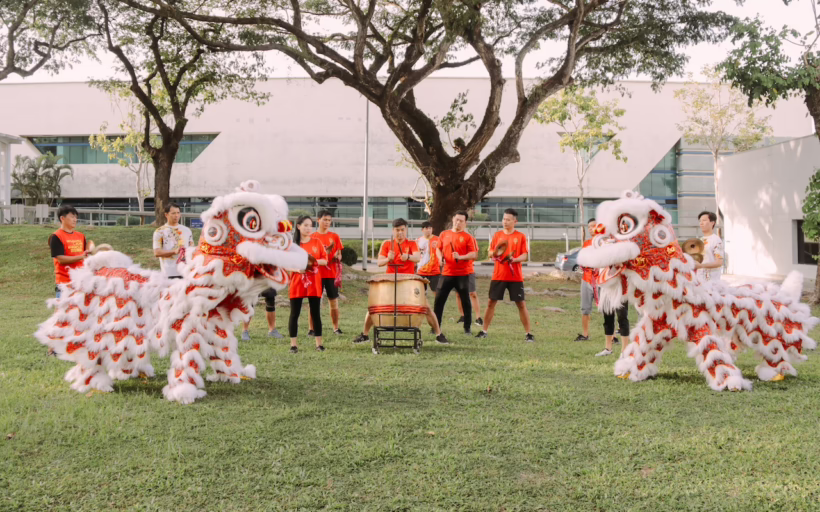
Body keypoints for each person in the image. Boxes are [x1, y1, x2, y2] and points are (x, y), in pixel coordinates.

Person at [352, 219, 449, 344]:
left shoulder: (412, 243)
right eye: (397, 230)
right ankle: (365, 335)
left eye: (402, 230)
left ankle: (438, 334)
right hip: (389, 282)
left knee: (427, 308)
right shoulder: (387, 244)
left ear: (406, 230)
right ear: (393, 230)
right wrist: (388, 258)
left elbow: (417, 258)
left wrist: (407, 257)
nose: (400, 233)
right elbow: (380, 262)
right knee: (374, 308)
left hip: (408, 281)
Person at [475, 208, 534, 342]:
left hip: (515, 277)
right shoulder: (497, 235)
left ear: (515, 221)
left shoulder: (520, 236)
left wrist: (514, 259)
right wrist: (495, 253)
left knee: (521, 304)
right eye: (503, 219)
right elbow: (489, 253)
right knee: (491, 302)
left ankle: (528, 334)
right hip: (498, 276)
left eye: (508, 219)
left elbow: (524, 255)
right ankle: (484, 331)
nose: (505, 222)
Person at [288, 215, 328, 353]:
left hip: (314, 282)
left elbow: (325, 260)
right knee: (294, 314)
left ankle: (319, 344)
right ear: (298, 226)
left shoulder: (317, 242)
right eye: (305, 225)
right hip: (297, 281)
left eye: (310, 225)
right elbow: (285, 264)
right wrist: (297, 269)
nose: (308, 228)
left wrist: (311, 262)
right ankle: (293, 345)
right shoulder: (292, 245)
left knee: (315, 313)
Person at [434, 211, 478, 334]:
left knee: (465, 301)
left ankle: (467, 327)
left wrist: (461, 256)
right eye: (456, 219)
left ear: (465, 223)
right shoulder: (444, 234)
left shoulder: (468, 237)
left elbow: (474, 254)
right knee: (439, 300)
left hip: (462, 274)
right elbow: (438, 248)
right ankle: (436, 326)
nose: (458, 222)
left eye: (461, 221)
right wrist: (439, 258)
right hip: (447, 273)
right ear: (453, 219)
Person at [49, 205, 88, 299]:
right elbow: (61, 259)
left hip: (80, 282)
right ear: (62, 218)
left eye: (76, 217)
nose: (75, 219)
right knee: (62, 312)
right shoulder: (56, 237)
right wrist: (81, 257)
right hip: (64, 284)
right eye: (72, 217)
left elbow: (86, 256)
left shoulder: (81, 236)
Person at [152, 203, 194, 279]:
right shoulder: (159, 231)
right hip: (169, 273)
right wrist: (174, 251)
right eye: (173, 213)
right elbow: (157, 252)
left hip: (186, 272)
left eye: (178, 213)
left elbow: (192, 249)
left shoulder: (187, 230)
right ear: (166, 215)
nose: (176, 215)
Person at [574, 218, 599, 342]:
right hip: (586, 278)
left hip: (600, 279)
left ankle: (613, 336)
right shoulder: (586, 243)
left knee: (607, 309)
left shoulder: (604, 242)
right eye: (589, 227)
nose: (591, 229)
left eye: (593, 226)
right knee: (585, 308)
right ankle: (585, 334)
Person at [456, 228, 483, 326]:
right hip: (456, 270)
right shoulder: (451, 237)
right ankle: (462, 316)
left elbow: (475, 256)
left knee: (472, 293)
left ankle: (478, 317)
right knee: (458, 294)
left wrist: (462, 257)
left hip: (468, 270)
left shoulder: (471, 238)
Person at [695, 210, 724, 283]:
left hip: (712, 281)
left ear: (712, 223)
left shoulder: (716, 240)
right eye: (700, 221)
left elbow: (719, 262)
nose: (701, 223)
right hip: (699, 280)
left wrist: (701, 266)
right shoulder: (699, 240)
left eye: (704, 220)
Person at [416, 221, 441, 293]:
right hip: (421, 271)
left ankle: (438, 305)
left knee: (437, 292)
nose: (428, 230)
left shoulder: (438, 239)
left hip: (434, 271)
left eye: (430, 228)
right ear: (422, 230)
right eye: (426, 228)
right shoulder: (418, 241)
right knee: (421, 293)